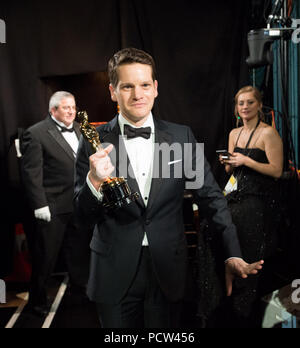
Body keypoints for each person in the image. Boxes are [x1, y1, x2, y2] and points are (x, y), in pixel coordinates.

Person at [74, 48, 264, 328]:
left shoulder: (181, 136)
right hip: (112, 272)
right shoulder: (93, 140)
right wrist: (93, 183)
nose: (137, 95)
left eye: (144, 85)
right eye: (127, 86)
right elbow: (80, 217)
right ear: (113, 91)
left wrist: (232, 252)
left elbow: (212, 199)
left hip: (168, 271)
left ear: (156, 88)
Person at [219, 85, 283, 327]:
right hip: (237, 191)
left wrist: (246, 159)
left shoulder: (268, 134)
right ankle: (226, 283)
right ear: (236, 108)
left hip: (261, 195)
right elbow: (231, 171)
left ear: (259, 106)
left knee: (241, 219)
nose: (244, 107)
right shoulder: (234, 134)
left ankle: (248, 295)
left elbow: (277, 171)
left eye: (249, 102)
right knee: (211, 221)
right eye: (241, 103)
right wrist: (228, 162)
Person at [21, 91, 89, 316]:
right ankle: (37, 302)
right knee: (45, 259)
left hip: (77, 205)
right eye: (66, 107)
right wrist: (39, 205)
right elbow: (32, 174)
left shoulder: (79, 129)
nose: (71, 111)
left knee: (78, 253)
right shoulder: (36, 133)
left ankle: (81, 294)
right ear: (53, 111)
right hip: (51, 208)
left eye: (73, 107)